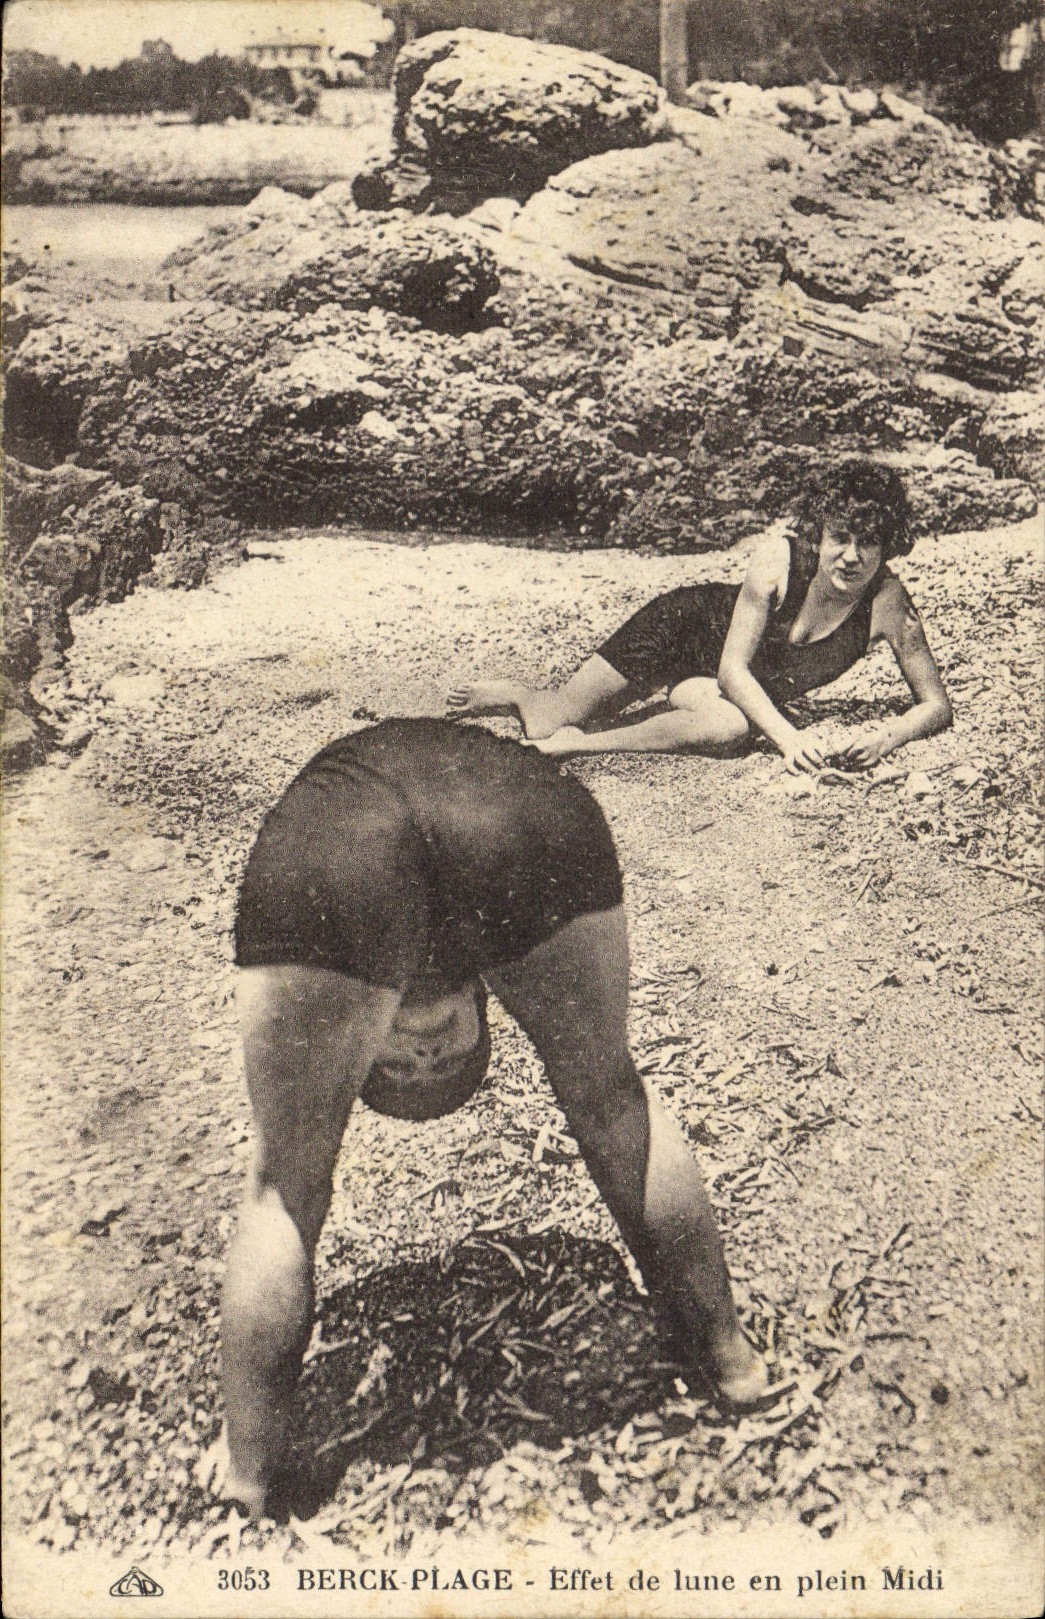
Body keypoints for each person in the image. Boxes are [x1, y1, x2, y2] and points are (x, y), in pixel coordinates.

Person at [209, 717, 772, 1516]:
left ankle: (246, 1475)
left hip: (350, 841)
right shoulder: (459, 967)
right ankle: (733, 1364)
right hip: (519, 810)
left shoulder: (341, 885)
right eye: (430, 1064)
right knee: (612, 1100)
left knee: (284, 1189)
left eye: (403, 1065)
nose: (425, 1052)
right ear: (487, 994)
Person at [448, 460, 952, 772]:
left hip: (716, 680)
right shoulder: (778, 559)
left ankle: (579, 747)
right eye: (840, 537)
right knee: (545, 718)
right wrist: (789, 738)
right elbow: (735, 668)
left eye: (869, 543)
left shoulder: (888, 603)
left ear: (888, 547)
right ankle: (524, 695)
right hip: (683, 629)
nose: (851, 556)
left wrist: (888, 738)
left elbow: (934, 704)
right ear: (819, 534)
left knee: (730, 729)